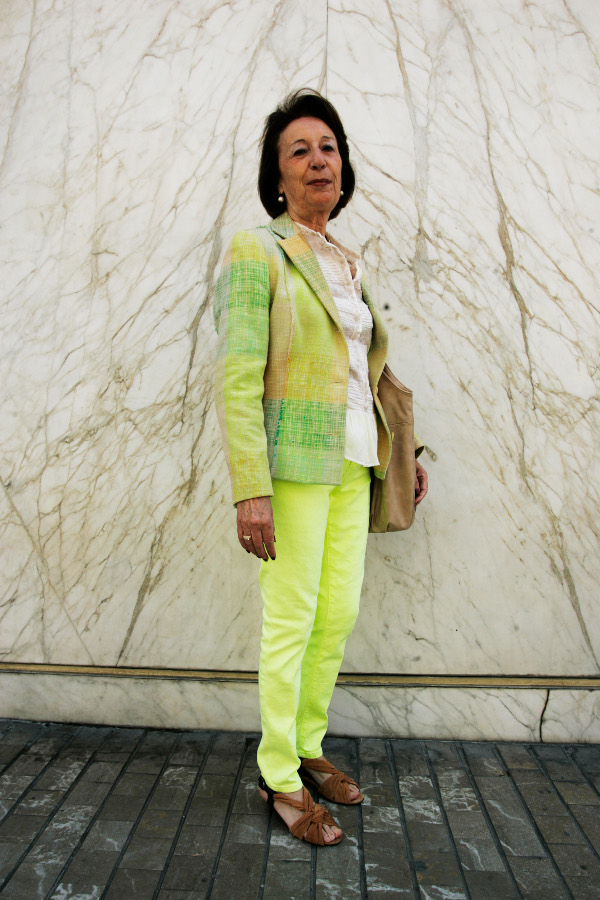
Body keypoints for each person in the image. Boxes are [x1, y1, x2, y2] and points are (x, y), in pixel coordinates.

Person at [213, 89, 428, 846]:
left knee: (335, 617)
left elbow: (363, 373)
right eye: (299, 151)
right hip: (294, 467)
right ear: (277, 177)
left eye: (328, 148)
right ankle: (278, 775)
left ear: (344, 167)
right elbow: (239, 376)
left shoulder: (346, 261)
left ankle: (308, 747)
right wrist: (251, 488)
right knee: (291, 620)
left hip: (356, 462)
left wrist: (399, 456)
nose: (318, 161)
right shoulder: (258, 250)